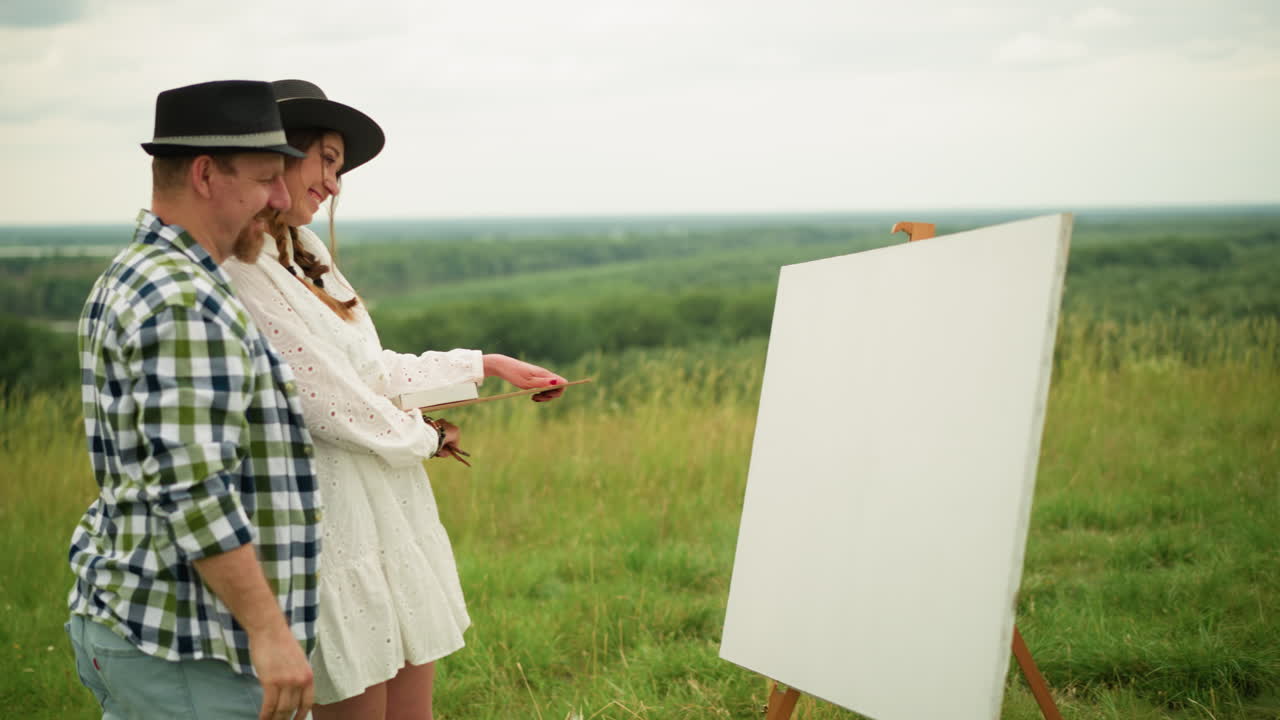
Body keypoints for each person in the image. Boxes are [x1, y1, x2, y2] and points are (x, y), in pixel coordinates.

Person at [222, 79, 567, 720]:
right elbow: (326, 401)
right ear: (279, 157)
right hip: (329, 517)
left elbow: (368, 369)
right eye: (325, 161)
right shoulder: (241, 268)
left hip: (386, 504)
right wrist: (426, 438)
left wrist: (483, 365)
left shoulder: (304, 250)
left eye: (338, 167)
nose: (333, 183)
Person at [67, 80, 321, 720]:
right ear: (206, 173)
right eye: (267, 177)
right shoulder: (185, 300)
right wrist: (268, 631)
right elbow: (195, 486)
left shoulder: (135, 270)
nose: (281, 197)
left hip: (149, 628)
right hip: (194, 648)